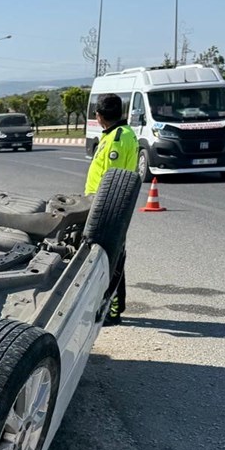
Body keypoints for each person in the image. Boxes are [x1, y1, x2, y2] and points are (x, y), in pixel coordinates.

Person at [86, 93, 138, 326]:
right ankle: (113, 305)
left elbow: (113, 181)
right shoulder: (120, 134)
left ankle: (113, 309)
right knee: (111, 256)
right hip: (108, 206)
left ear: (99, 116)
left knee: (112, 259)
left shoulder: (117, 138)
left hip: (109, 208)